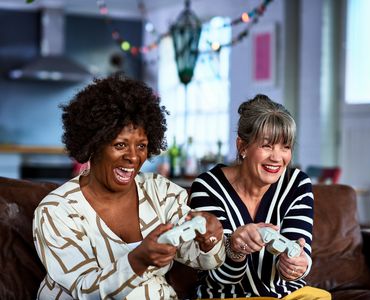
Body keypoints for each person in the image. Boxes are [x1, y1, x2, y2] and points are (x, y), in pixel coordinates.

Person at [32, 74, 225, 300]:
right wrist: (138, 260)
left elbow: (203, 260)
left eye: (141, 145)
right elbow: (84, 291)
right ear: (93, 145)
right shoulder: (57, 211)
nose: (133, 157)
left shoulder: (160, 193)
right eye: (120, 145)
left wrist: (209, 239)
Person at [189, 94, 331, 299]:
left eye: (286, 146)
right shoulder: (208, 187)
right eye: (267, 145)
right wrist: (234, 249)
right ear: (242, 147)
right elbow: (219, 275)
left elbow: (299, 254)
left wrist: (296, 265)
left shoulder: (297, 184)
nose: (277, 157)